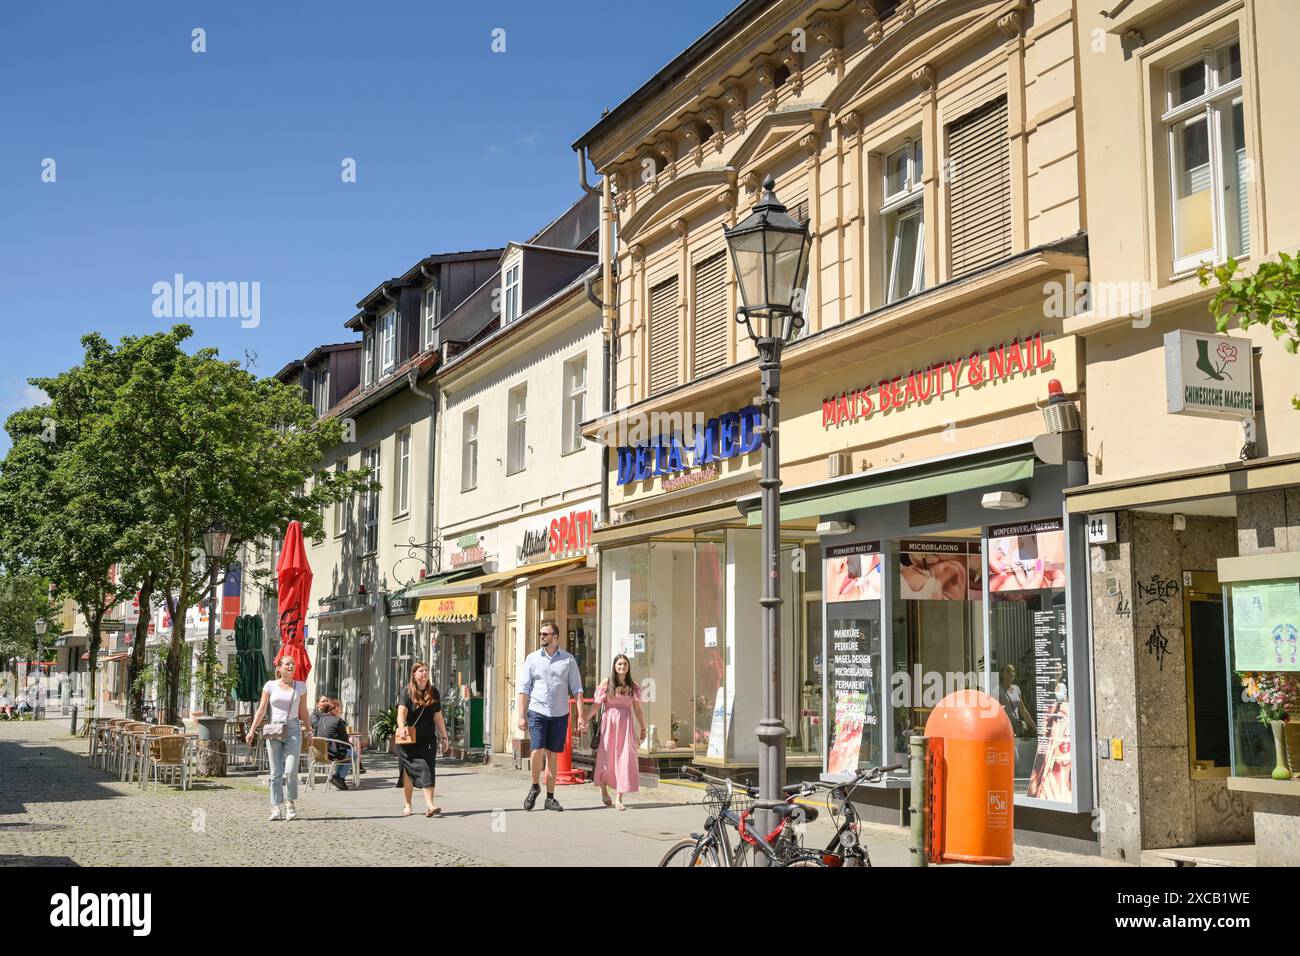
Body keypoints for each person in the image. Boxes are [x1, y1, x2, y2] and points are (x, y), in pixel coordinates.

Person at [517, 622, 586, 811]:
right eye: (540, 634)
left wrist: (580, 716)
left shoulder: (568, 660)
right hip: (537, 711)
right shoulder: (532, 659)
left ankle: (550, 797)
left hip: (559, 713)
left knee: (552, 756)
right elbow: (524, 689)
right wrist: (521, 716)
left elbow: (577, 689)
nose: (541, 637)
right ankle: (534, 787)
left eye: (545, 634)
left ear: (555, 637)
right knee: (536, 750)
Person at [246, 657, 312, 821]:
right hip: (274, 728)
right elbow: (261, 710)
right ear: (280, 668)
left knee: (290, 770)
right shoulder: (270, 685)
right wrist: (252, 730)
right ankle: (275, 806)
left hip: (293, 729)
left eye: (292, 664)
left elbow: (303, 711)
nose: (291, 666)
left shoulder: (300, 687)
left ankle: (290, 803)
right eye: (287, 663)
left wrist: (309, 732)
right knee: (275, 772)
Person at [395, 661, 449, 817]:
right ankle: (407, 804)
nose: (424, 673)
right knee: (407, 773)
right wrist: (402, 726)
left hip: (427, 740)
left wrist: (444, 737)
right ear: (414, 674)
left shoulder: (434, 693)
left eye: (426, 670)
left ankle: (430, 805)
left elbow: (438, 717)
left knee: (428, 769)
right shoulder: (407, 691)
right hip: (409, 740)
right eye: (421, 671)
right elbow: (401, 713)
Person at [593, 654, 646, 810]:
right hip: (609, 725)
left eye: (624, 664)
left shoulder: (633, 686)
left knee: (625, 758)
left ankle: (619, 798)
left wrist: (643, 728)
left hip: (626, 725)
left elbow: (637, 708)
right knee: (606, 757)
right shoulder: (607, 683)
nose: (622, 667)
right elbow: (596, 705)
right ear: (614, 667)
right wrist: (584, 719)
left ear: (628, 666)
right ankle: (603, 790)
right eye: (619, 664)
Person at [314, 700, 353, 791]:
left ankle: (337, 778)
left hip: (320, 754)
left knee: (345, 753)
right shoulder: (337, 720)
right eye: (340, 708)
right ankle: (340, 777)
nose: (341, 710)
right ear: (335, 709)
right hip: (333, 753)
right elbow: (345, 739)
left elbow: (316, 735)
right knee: (353, 754)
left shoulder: (321, 720)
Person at [998, 665, 1035, 737]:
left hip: (1016, 726)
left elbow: (1023, 710)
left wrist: (1034, 727)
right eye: (1008, 671)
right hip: (1005, 727)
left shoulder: (1016, 688)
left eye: (1013, 671)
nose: (1011, 673)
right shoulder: (998, 690)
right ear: (1002, 674)